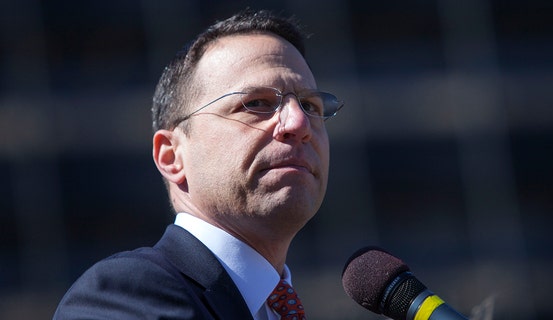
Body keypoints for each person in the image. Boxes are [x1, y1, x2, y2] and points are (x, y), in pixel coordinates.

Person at [54, 9, 343, 320]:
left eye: (310, 105)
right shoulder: (122, 294)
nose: (298, 122)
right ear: (172, 156)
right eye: (257, 103)